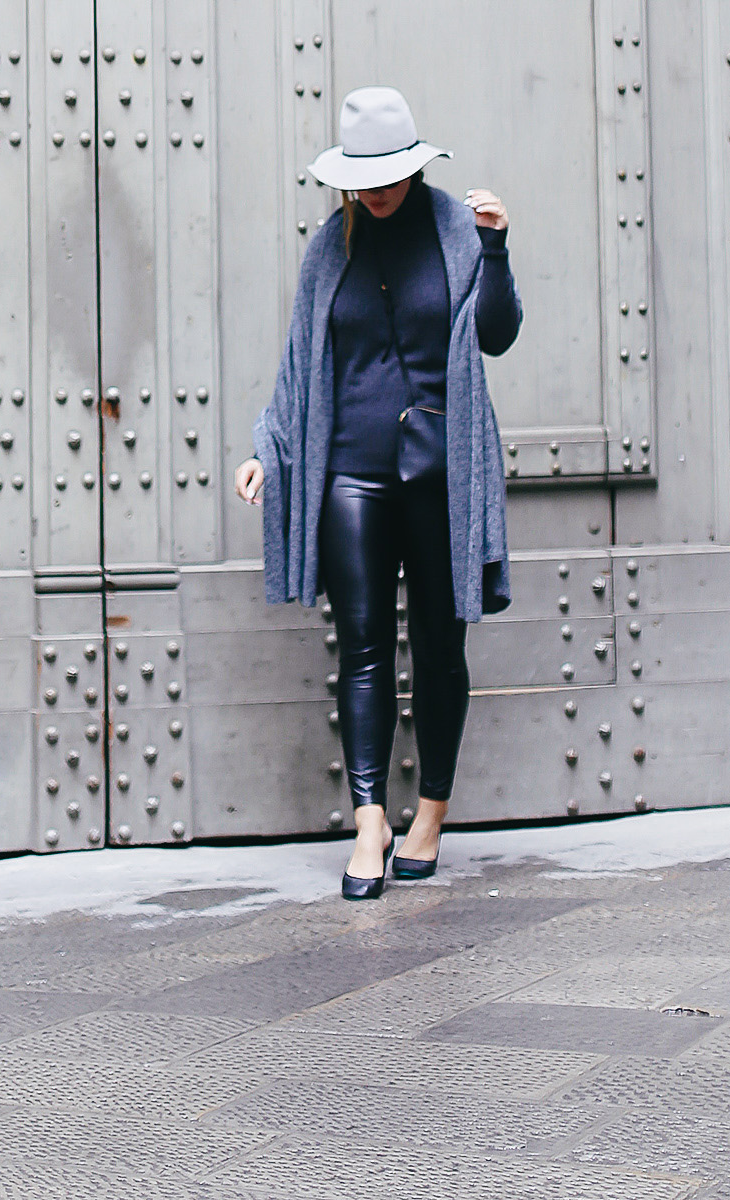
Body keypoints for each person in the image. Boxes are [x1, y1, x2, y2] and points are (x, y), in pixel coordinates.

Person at [234, 85, 521, 899]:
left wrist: (497, 248)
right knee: (361, 649)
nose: (378, 190)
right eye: (364, 178)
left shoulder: (459, 231)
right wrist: (269, 450)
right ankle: (370, 821)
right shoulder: (331, 245)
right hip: (351, 471)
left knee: (438, 647)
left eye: (391, 174)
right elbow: (301, 363)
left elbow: (496, 334)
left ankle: (429, 812)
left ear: (417, 165)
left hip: (439, 470)